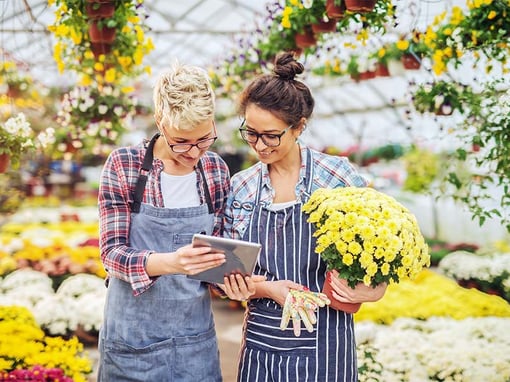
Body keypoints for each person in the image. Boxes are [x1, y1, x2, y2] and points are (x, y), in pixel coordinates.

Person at [223, 52, 388, 381]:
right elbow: (229, 278)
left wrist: (376, 289)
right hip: (261, 343)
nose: (260, 145)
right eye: (251, 133)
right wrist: (266, 289)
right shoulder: (241, 187)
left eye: (271, 135)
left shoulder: (336, 177)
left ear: (298, 127)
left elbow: (379, 253)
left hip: (327, 342)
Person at [97, 62, 256, 381]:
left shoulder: (214, 170)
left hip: (193, 343)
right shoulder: (124, 166)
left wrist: (230, 282)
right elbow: (112, 255)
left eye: (204, 139)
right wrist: (171, 262)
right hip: (132, 343)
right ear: (160, 121)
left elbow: (217, 259)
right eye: (181, 141)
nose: (194, 152)